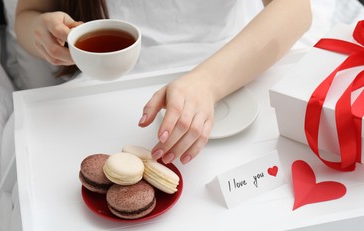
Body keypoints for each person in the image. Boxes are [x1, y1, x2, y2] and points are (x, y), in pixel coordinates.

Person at [15, 0, 312, 165]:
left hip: (231, 66)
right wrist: (40, 33)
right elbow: (28, 15)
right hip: (110, 84)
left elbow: (297, 9)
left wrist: (205, 84)